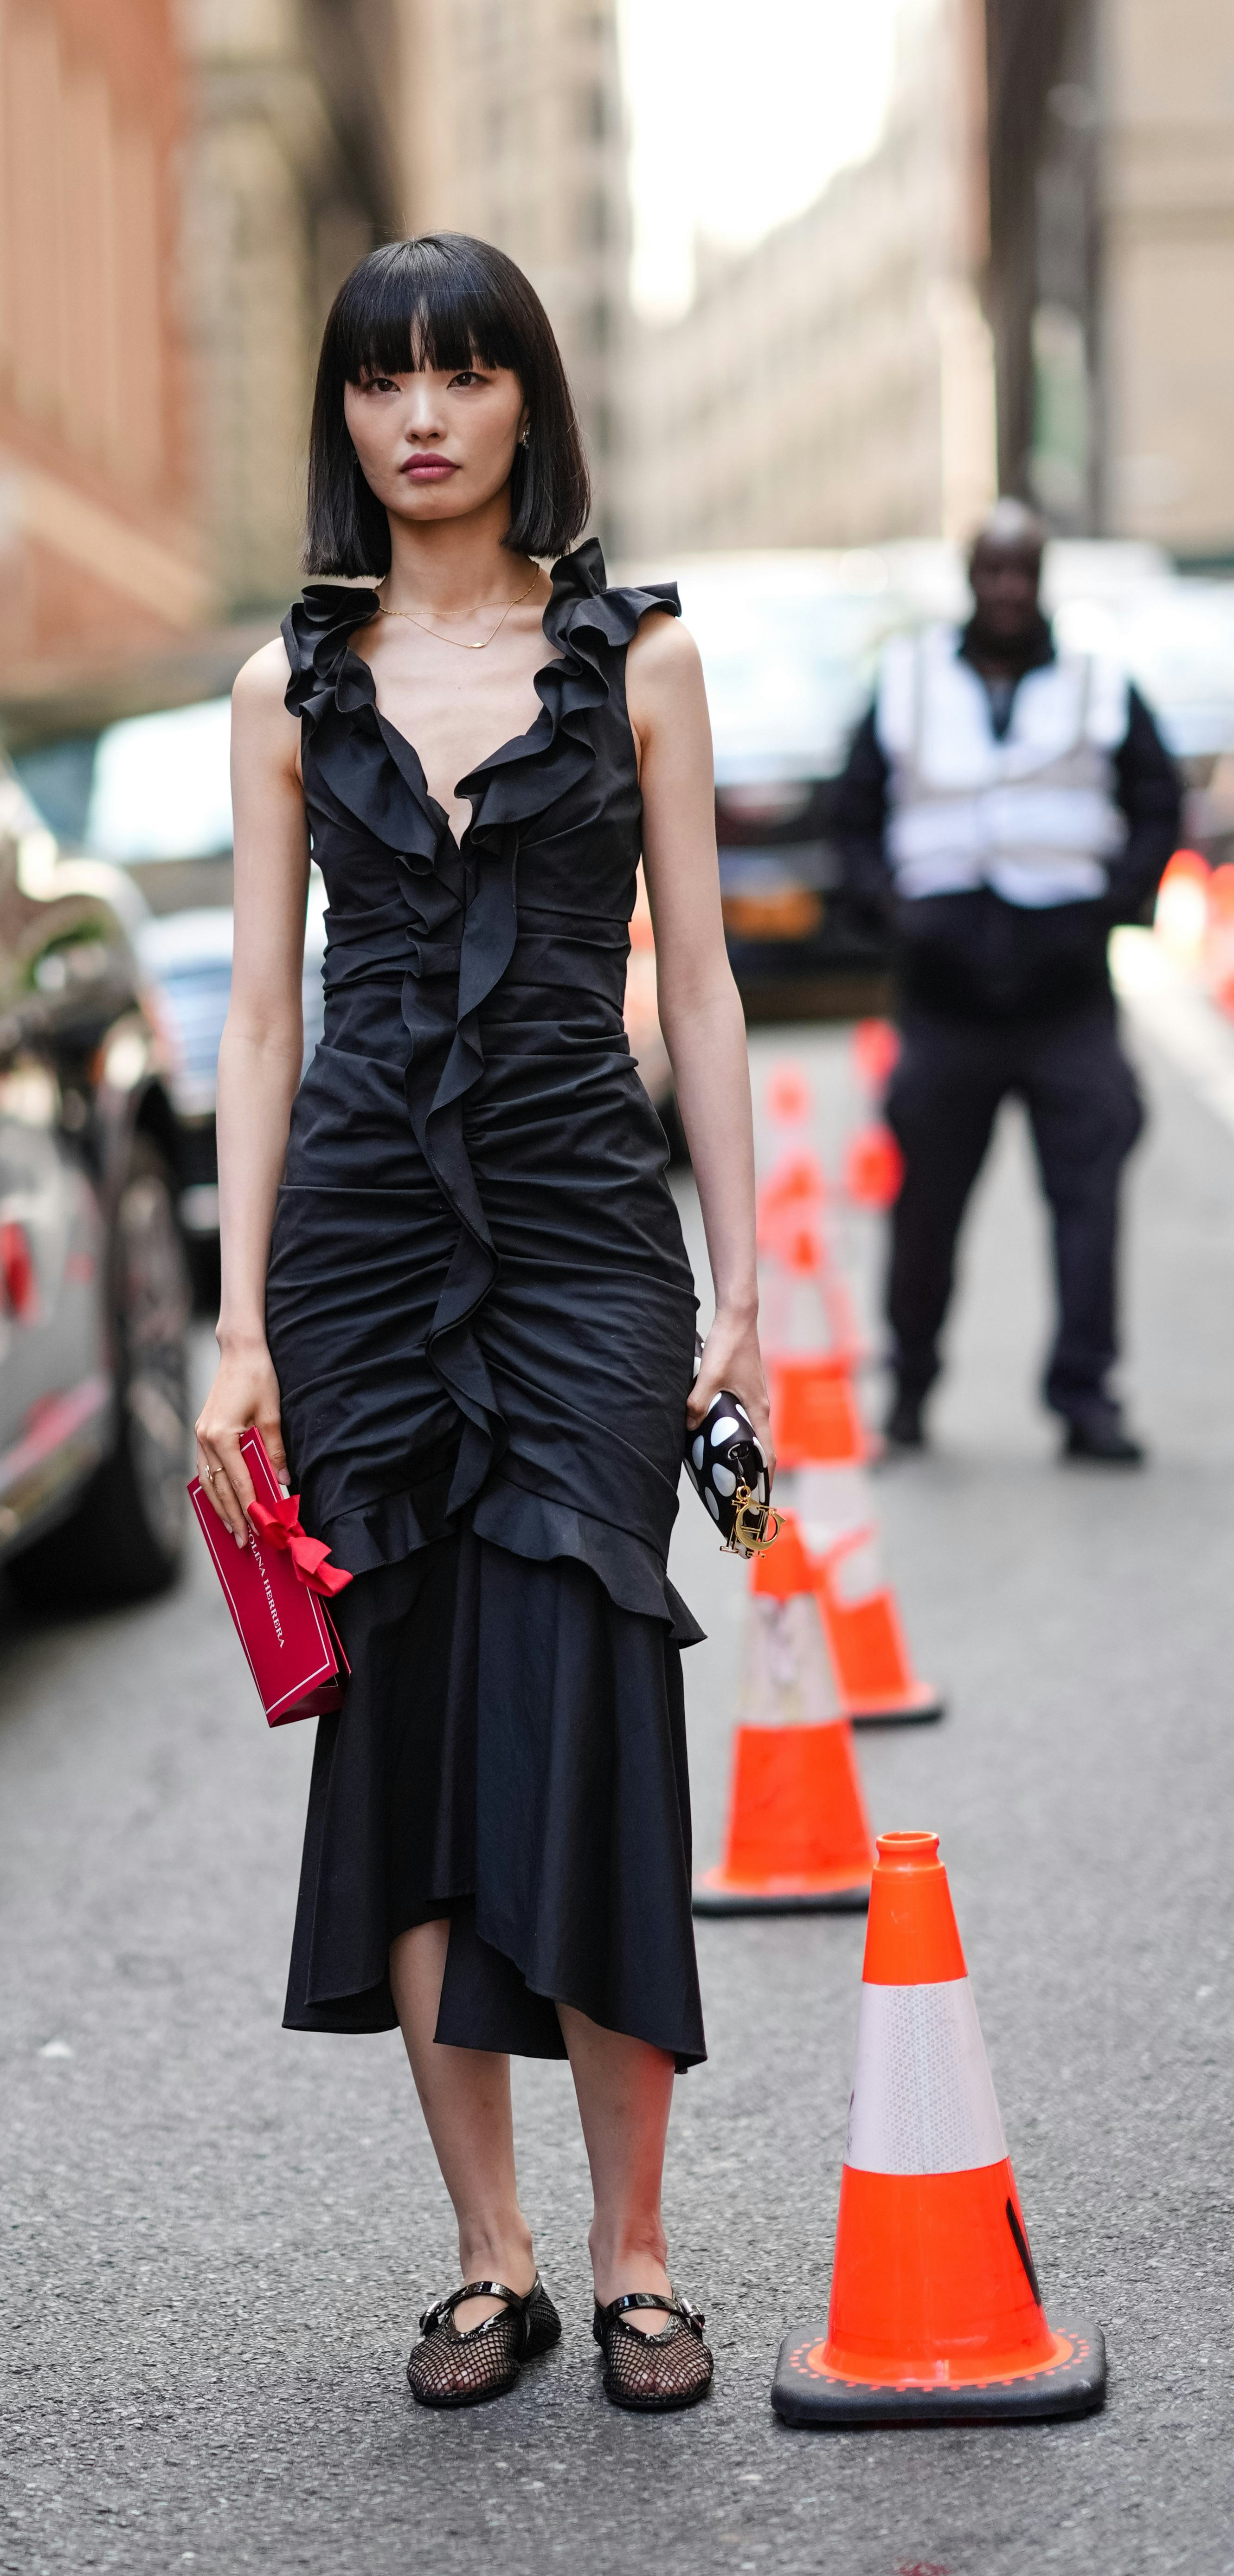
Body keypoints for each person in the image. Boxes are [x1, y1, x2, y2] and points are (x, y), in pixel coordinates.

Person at [193, 234, 767, 2415]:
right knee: (409, 1710)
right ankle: (490, 2253)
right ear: (339, 417)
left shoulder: (639, 658)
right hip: (350, 1245)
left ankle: (634, 2249)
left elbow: (696, 985)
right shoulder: (281, 689)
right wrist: (234, 1325)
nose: (417, 414)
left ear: (528, 399)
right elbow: (257, 1013)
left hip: (576, 1225)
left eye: (461, 372)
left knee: (595, 1680)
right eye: (375, 380)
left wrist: (745, 1284)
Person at [833, 499, 1181, 1462]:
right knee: (924, 1207)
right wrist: (888, 914)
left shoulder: (1095, 682)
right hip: (943, 993)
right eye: (989, 571)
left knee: (1088, 1199)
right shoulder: (903, 680)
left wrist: (1112, 901)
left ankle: (1084, 1396)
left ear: (1042, 578)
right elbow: (851, 811)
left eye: (1021, 571)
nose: (1005, 589)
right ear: (967, 578)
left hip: (1064, 989)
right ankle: (907, 1389)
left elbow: (1156, 803)